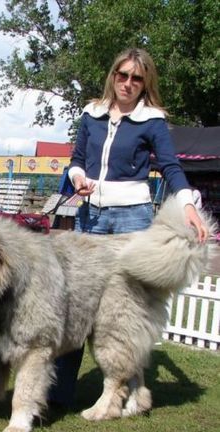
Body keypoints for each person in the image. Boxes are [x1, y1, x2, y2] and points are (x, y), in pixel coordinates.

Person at [49, 47, 208, 408]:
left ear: (145, 82)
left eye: (137, 78)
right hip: (90, 217)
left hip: (132, 220)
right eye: (122, 75)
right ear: (113, 75)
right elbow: (76, 160)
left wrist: (188, 206)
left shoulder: (152, 120)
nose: (128, 83)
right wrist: (77, 177)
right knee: (75, 303)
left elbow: (170, 166)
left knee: (125, 311)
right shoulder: (91, 114)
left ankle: (130, 391)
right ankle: (59, 393)